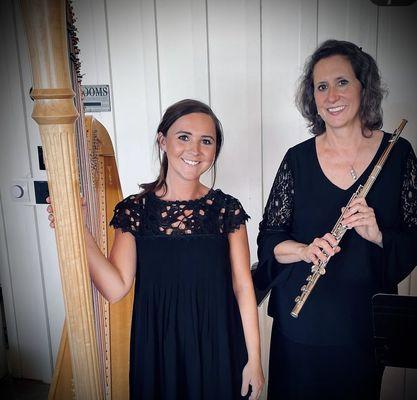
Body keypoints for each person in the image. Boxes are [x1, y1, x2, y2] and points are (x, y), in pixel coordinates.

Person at [47, 99, 264, 399]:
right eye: (183, 137)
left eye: (206, 141)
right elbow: (115, 287)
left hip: (218, 341)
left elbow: (243, 287)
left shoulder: (227, 210)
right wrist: (76, 229)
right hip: (159, 347)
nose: (195, 150)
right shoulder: (135, 211)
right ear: (163, 140)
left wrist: (255, 360)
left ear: (215, 150)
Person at [254, 39, 417, 399]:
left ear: (364, 86)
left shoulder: (399, 154)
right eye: (321, 87)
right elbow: (268, 239)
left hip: (361, 328)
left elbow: (412, 243)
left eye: (342, 82)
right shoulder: (296, 159)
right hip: (299, 325)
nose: (331, 96)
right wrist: (302, 249)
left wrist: (377, 234)